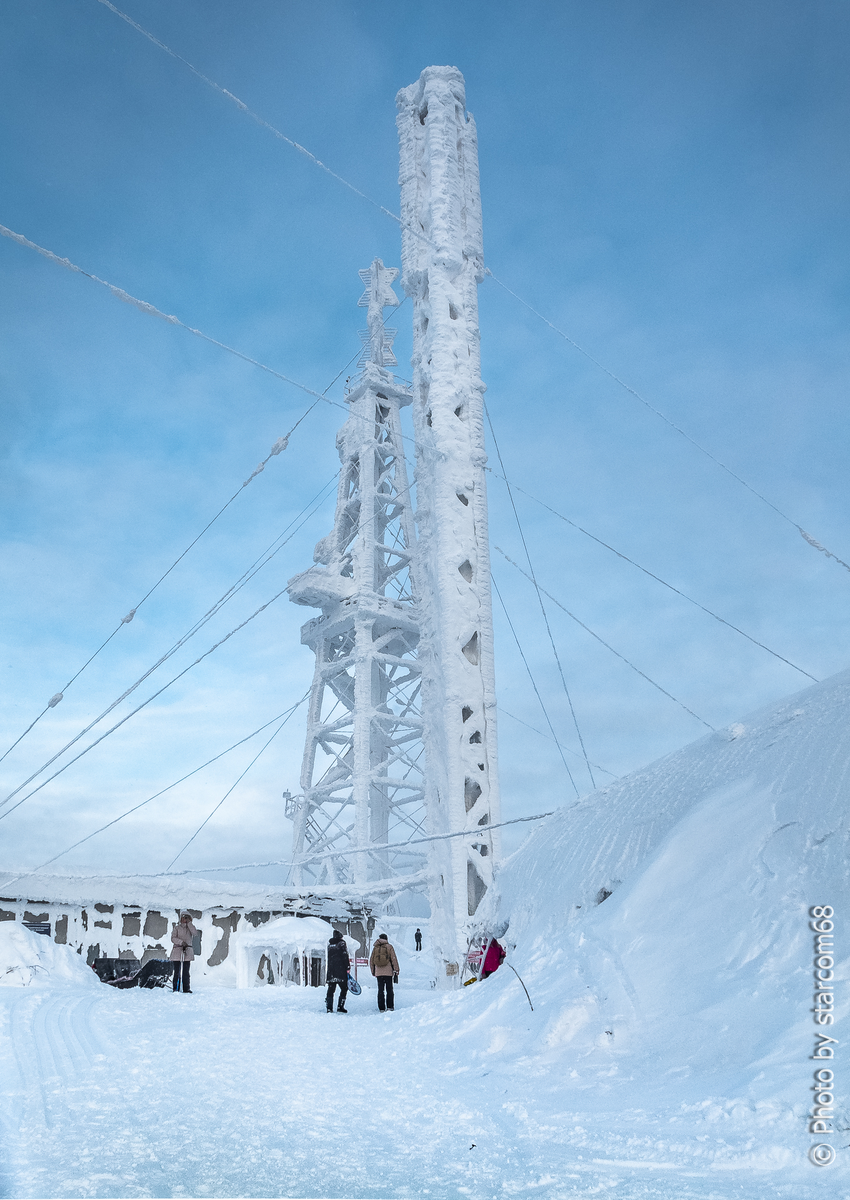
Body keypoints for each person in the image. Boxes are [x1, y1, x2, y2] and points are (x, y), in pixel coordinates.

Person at [369, 933, 399, 1011]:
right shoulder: (389, 947)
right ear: (386, 939)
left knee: (380, 990)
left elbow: (371, 960)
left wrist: (373, 971)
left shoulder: (375, 948)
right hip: (388, 972)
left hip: (379, 973)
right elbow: (393, 959)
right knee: (389, 989)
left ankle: (381, 1007)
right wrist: (396, 970)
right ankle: (390, 1006)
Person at [170, 911, 198, 993]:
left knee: (186, 971)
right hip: (177, 951)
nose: (184, 919)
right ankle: (176, 988)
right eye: (183, 917)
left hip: (187, 952)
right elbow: (173, 938)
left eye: (186, 917)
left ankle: (186, 988)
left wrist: (189, 923)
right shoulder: (177, 928)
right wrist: (181, 942)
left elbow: (195, 933)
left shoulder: (190, 928)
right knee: (177, 971)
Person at [326, 929, 350, 1013]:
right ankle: (340, 1006)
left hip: (331, 971)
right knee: (344, 988)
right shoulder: (342, 944)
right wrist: (347, 967)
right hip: (340, 970)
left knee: (331, 989)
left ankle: (329, 1007)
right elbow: (344, 956)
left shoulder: (330, 945)